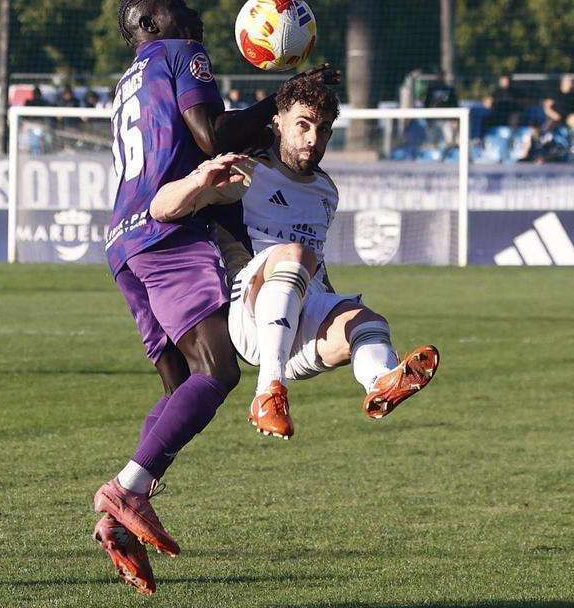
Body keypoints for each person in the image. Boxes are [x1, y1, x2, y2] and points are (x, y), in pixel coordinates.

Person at [92, 0, 320, 595]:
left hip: (122, 240)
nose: (192, 16)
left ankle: (120, 515)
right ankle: (124, 493)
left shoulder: (127, 83)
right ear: (145, 22)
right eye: (176, 8)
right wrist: (283, 101)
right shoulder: (178, 52)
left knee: (180, 386)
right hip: (169, 230)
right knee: (219, 371)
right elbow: (212, 132)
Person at [149, 69, 440, 442]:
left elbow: (317, 262)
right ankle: (267, 392)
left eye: (322, 130)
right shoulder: (245, 171)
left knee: (368, 322)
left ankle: (380, 381)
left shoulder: (325, 191)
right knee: (295, 254)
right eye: (302, 125)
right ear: (277, 123)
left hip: (299, 320)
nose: (311, 139)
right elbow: (160, 208)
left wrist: (334, 308)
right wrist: (199, 180)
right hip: (251, 317)